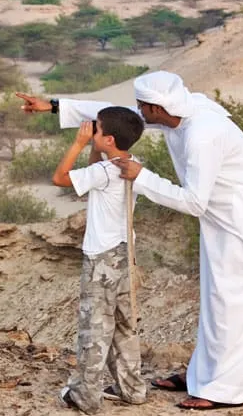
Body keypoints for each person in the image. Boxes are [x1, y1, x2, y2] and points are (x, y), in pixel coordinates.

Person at [18, 70, 243, 410]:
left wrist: (142, 176)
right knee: (216, 300)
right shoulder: (179, 112)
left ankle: (226, 389)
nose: (138, 111)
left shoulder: (202, 135)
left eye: (141, 106)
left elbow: (194, 202)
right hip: (224, 218)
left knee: (233, 304)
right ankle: (204, 374)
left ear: (156, 108)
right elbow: (119, 117)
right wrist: (54, 105)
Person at [50, 107, 147, 414]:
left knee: (94, 326)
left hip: (101, 257)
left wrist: (79, 143)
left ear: (109, 139)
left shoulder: (104, 171)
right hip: (125, 254)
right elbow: (94, 171)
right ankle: (132, 389)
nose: (93, 131)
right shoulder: (130, 164)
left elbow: (59, 178)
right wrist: (96, 147)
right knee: (124, 325)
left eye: (98, 129)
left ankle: (85, 395)